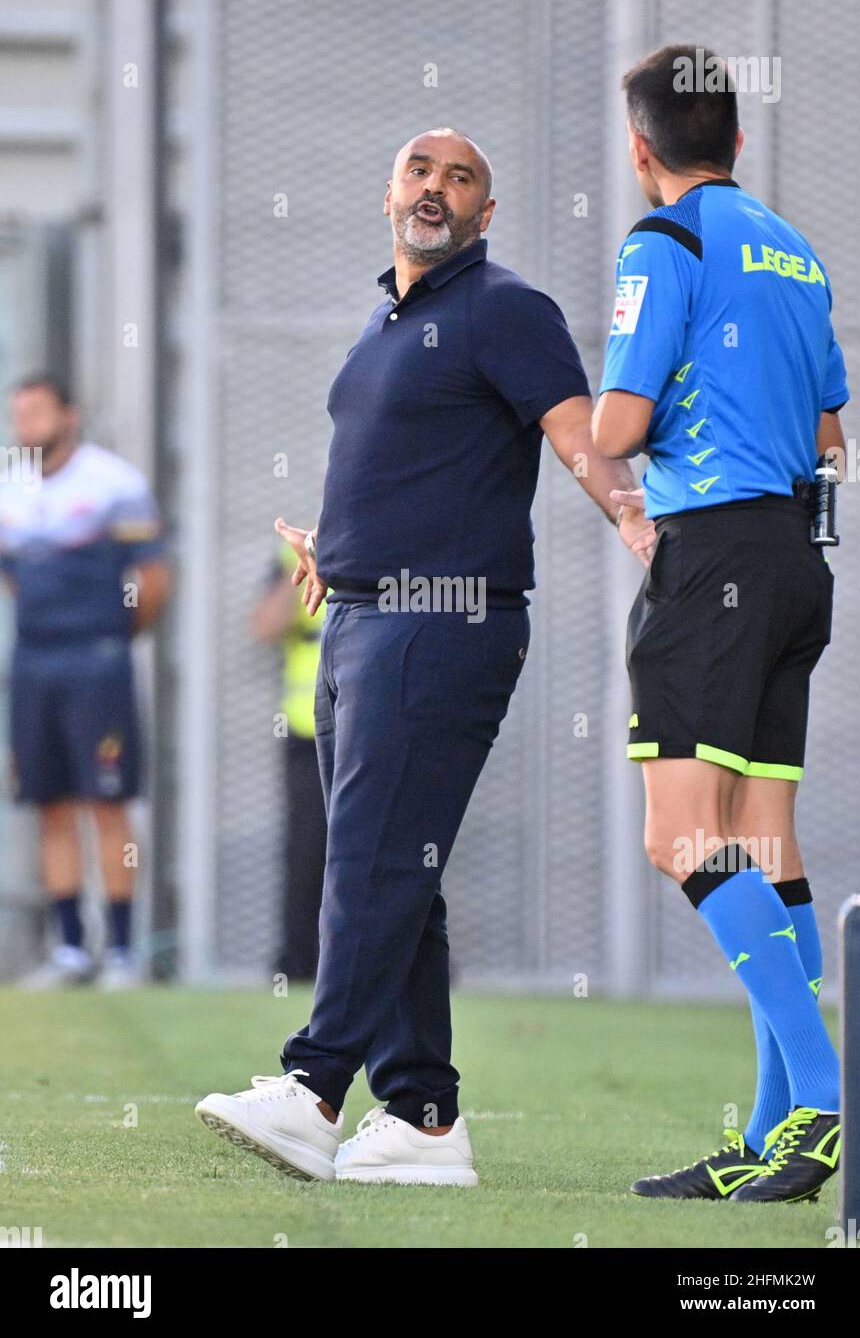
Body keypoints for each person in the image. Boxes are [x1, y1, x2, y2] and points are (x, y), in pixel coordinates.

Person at [196, 127, 653, 1185]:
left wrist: (633, 520)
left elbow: (574, 428)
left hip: (442, 622)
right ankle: (422, 1119)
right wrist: (337, 549)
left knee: (368, 860)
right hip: (359, 616)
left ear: (484, 217)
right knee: (404, 870)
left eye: (460, 179)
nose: (435, 188)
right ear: (389, 189)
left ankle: (312, 1091)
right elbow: (401, 461)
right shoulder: (385, 323)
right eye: (418, 170)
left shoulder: (503, 308)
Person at [592, 46, 848, 1202]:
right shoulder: (794, 249)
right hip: (796, 560)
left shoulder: (666, 242)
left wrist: (607, 421)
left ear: (640, 149)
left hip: (715, 563)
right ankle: (771, 1129)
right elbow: (834, 437)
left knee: (679, 837)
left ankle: (828, 1101)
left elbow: (615, 424)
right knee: (761, 839)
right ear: (736, 140)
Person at [0, 375, 171, 988]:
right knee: (49, 803)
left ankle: (123, 950)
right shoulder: (9, 485)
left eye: (39, 413)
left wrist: (113, 635)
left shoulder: (114, 485)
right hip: (34, 662)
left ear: (69, 416)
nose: (27, 426)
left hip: (97, 661)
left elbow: (151, 578)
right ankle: (71, 949)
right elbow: (16, 575)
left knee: (106, 800)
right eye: (20, 415)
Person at [252, 539, 327, 981]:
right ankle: (300, 967)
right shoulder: (291, 556)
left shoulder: (400, 540)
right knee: (307, 853)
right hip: (311, 728)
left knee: (401, 849)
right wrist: (304, 564)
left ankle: (406, 969)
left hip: (388, 725)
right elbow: (265, 626)